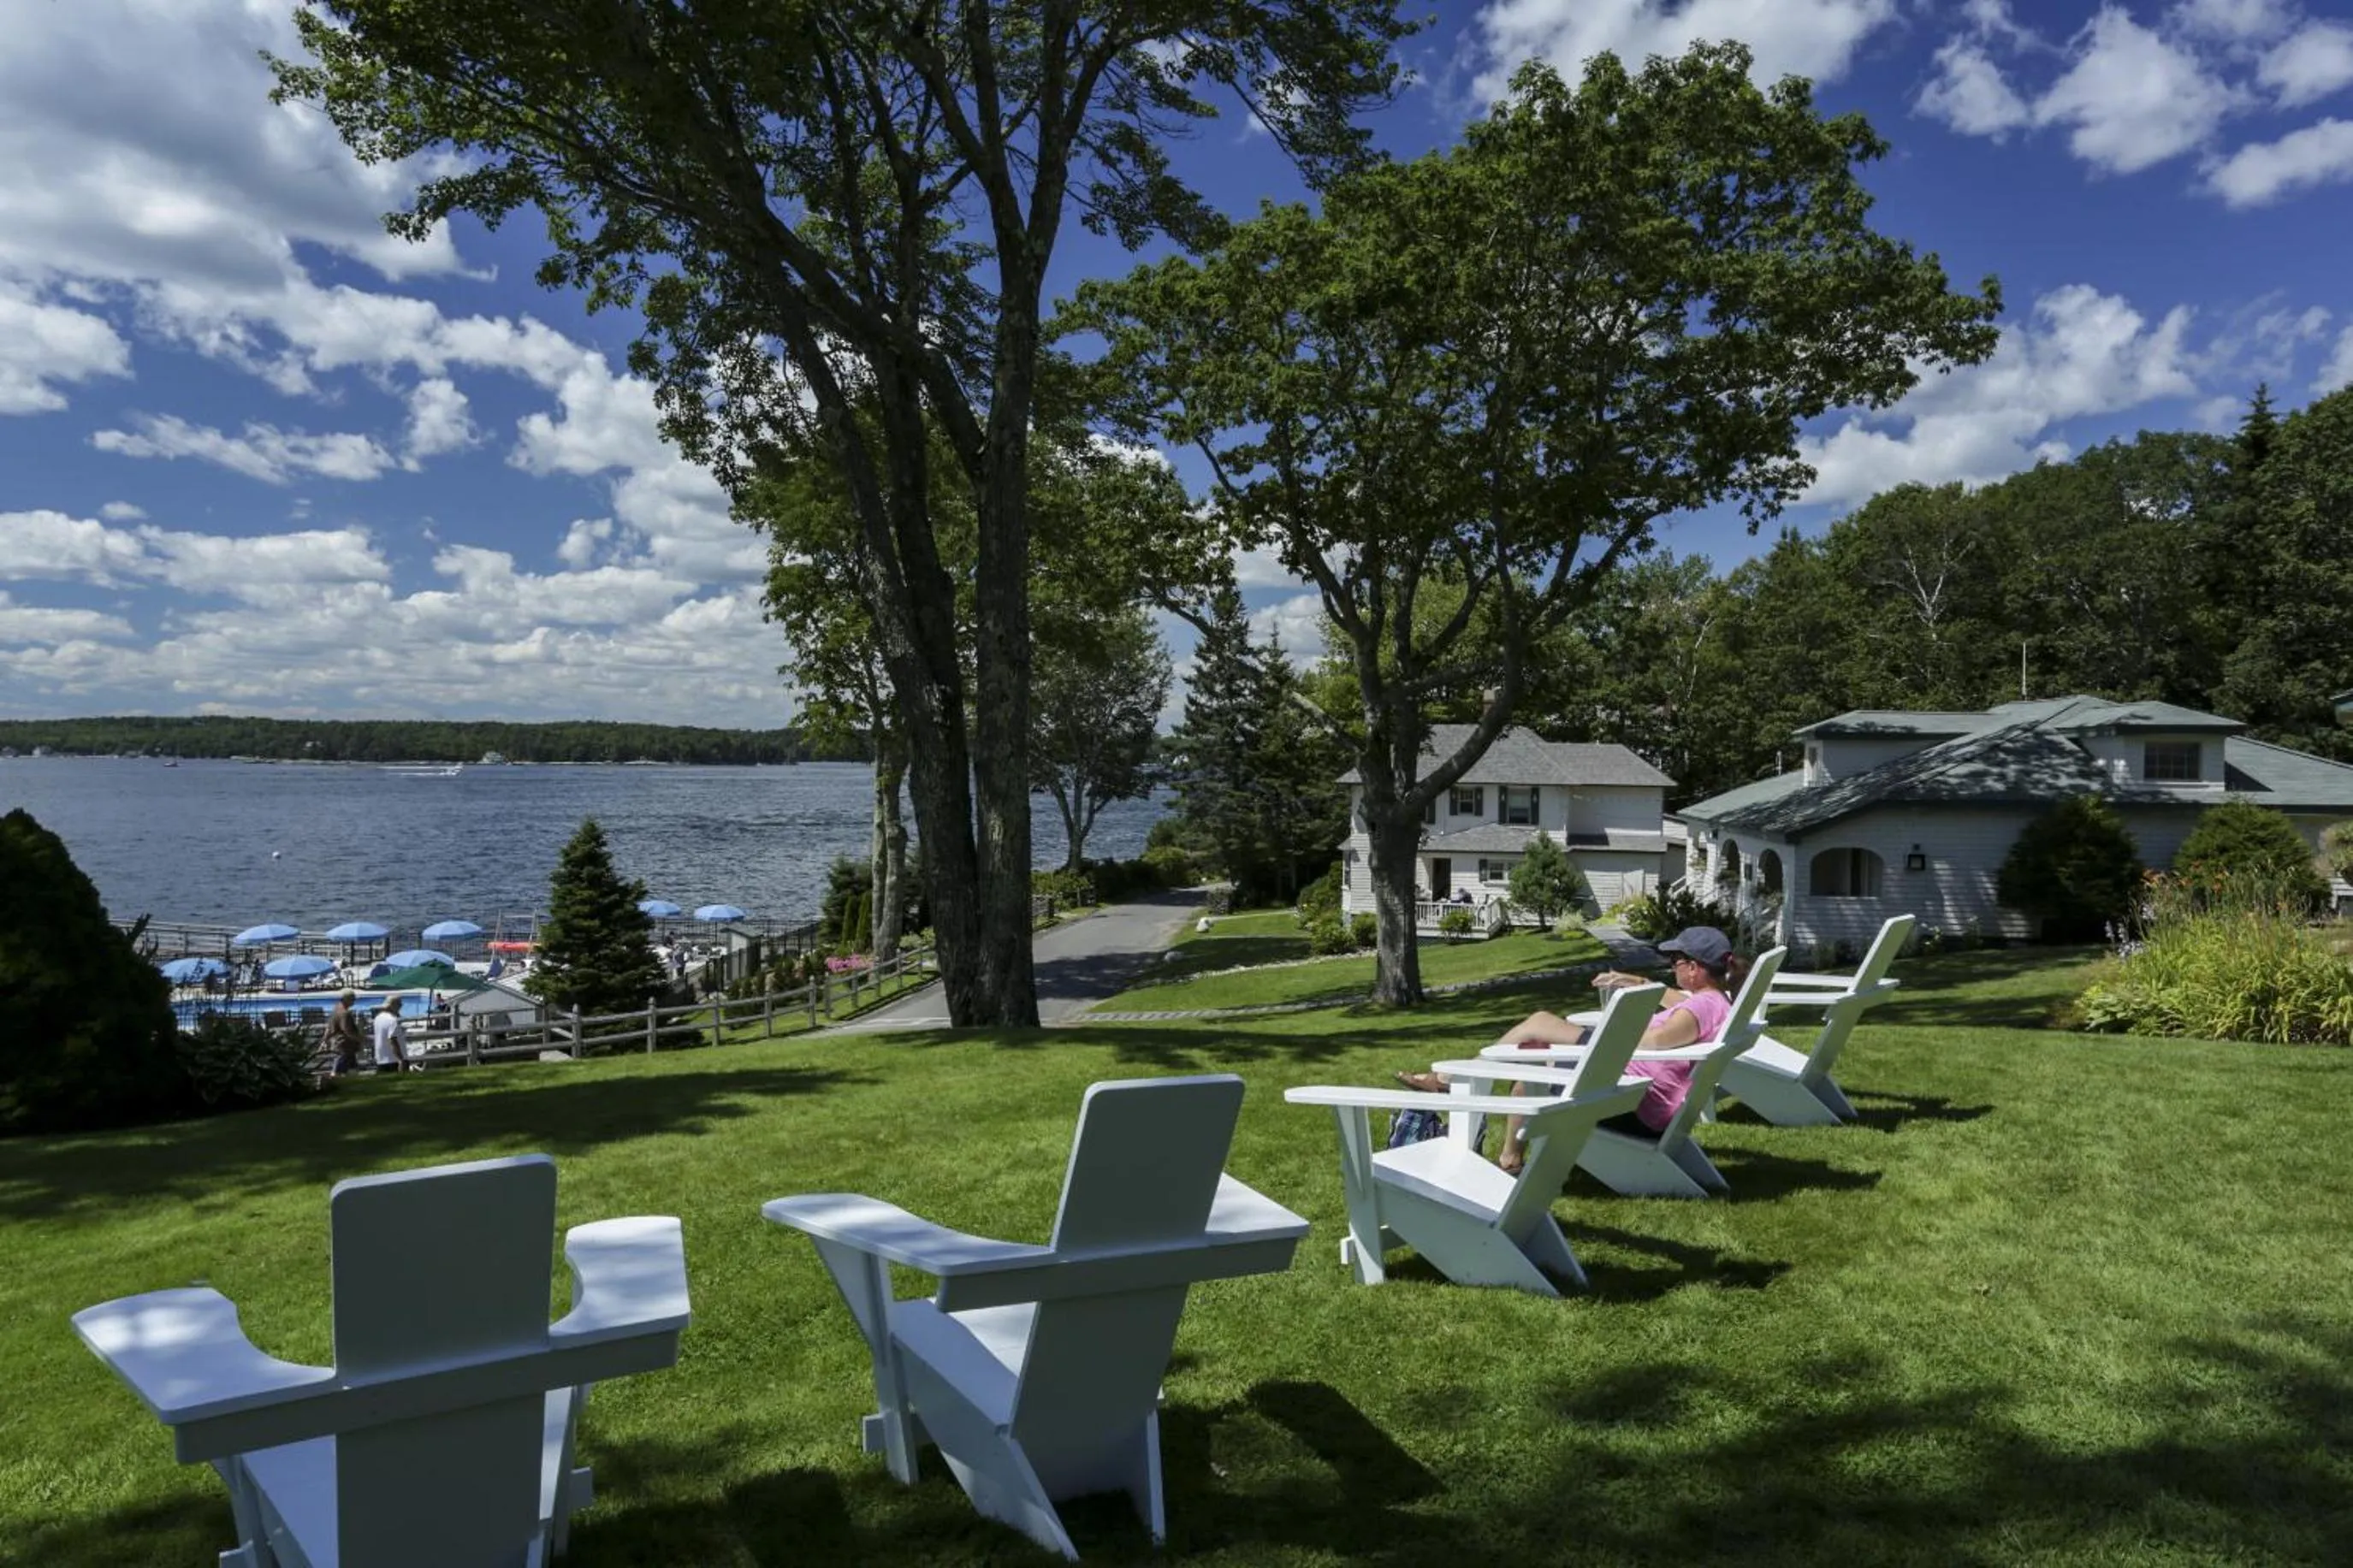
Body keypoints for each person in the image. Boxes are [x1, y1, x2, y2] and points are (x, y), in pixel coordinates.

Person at [1396, 927, 1749, 1171]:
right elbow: (1678, 1007)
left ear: (1694, 968)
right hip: (1639, 1092)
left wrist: (1610, 1033)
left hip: (1635, 1102)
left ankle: (1451, 1084)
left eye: (1676, 961)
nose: (1671, 967)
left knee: (1539, 1024)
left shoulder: (1702, 1007)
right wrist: (1641, 983)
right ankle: (1506, 1155)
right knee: (1534, 1048)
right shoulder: (1715, 1002)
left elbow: (1657, 1041)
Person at [321, 990, 367, 1075]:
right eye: (352, 999)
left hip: (341, 1046)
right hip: (344, 1046)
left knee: (352, 1071)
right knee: (338, 1072)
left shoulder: (336, 1009)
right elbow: (347, 1031)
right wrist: (361, 1039)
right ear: (346, 999)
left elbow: (329, 1027)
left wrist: (325, 1040)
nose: (354, 1001)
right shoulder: (345, 1013)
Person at [371, 995, 410, 1074]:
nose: (400, 1007)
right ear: (394, 1006)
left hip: (381, 1059)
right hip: (394, 1060)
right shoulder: (392, 1020)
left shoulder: (378, 1018)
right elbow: (393, 1040)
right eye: (399, 1005)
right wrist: (400, 1059)